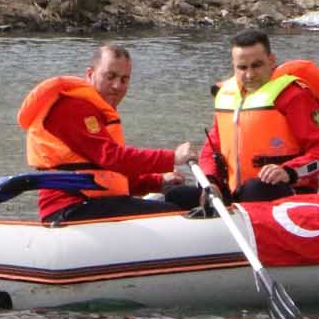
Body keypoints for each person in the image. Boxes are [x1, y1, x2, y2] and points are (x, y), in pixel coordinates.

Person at [16, 43, 194, 225]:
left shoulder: (96, 111)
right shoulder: (73, 109)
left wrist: (157, 182)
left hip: (93, 202)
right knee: (176, 215)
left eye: (124, 79)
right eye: (110, 77)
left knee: (185, 197)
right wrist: (172, 157)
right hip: (71, 209)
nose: (117, 85)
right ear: (90, 74)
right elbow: (111, 157)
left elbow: (110, 176)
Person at [198, 29, 319, 203]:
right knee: (178, 194)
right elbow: (211, 149)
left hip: (284, 192)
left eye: (257, 65)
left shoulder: (295, 96)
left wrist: (288, 172)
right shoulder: (227, 97)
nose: (249, 75)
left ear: (271, 60)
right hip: (235, 192)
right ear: (233, 66)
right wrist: (211, 182)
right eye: (242, 68)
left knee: (255, 189)